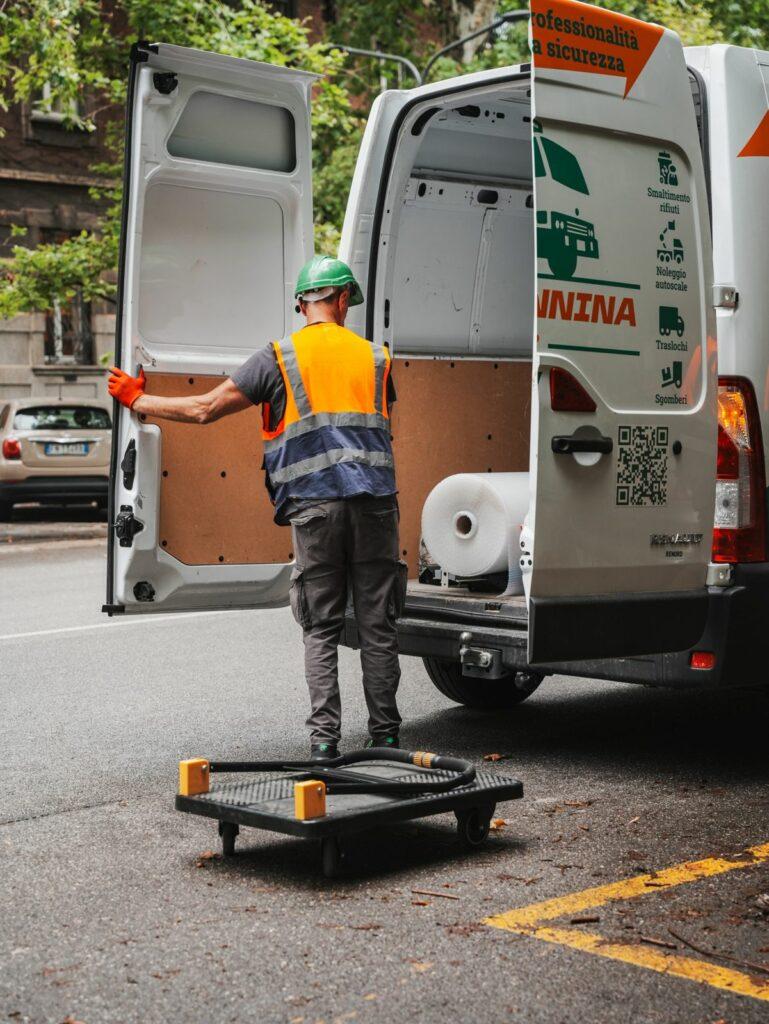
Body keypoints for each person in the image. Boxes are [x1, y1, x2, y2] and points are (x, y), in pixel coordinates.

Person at [108, 256, 403, 762]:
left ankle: (325, 741)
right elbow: (379, 422)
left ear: (302, 305)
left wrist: (140, 401)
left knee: (322, 626)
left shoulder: (278, 358)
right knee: (378, 624)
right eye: (346, 302)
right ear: (339, 300)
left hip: (315, 508)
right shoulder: (377, 357)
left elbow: (204, 410)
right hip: (375, 503)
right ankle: (387, 738)